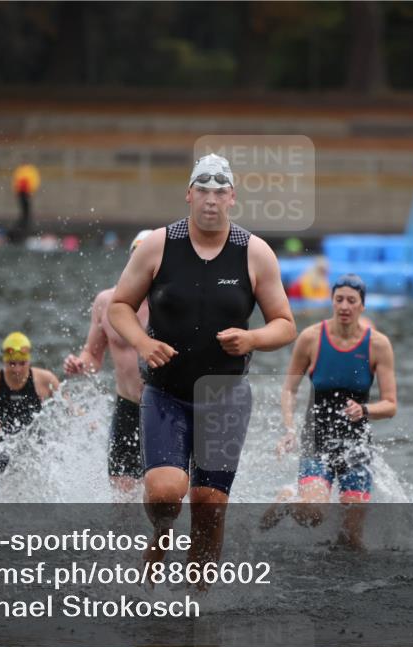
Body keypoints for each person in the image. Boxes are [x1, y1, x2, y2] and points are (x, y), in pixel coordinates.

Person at [108, 153, 296, 576]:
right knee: (164, 493)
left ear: (232, 198)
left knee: (209, 505)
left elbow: (285, 325)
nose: (211, 200)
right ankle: (160, 535)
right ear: (189, 195)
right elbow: (119, 306)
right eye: (203, 191)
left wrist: (251, 338)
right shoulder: (159, 244)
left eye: (220, 192)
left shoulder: (255, 252)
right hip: (166, 393)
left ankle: (199, 604)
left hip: (224, 397)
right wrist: (141, 342)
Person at [260, 274, 397, 549]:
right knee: (312, 515)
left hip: (356, 445)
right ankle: (288, 497)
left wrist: (366, 409)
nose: (345, 306)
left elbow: (391, 404)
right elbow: (289, 389)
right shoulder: (311, 338)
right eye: (339, 299)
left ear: (362, 306)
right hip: (317, 439)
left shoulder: (378, 345)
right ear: (332, 302)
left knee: (351, 540)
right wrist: (289, 429)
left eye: (352, 301)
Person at [64, 230, 153, 500]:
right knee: (121, 495)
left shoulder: (171, 303)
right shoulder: (107, 302)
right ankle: (126, 542)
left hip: (163, 407)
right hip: (127, 405)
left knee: (163, 491)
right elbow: (93, 355)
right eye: (138, 257)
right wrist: (80, 364)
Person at [0, 332, 60, 475]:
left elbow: (72, 411)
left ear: (29, 361)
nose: (17, 369)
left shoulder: (45, 379)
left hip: (35, 447)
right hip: (3, 448)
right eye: (11, 363)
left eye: (22, 363)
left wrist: (91, 422)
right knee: (1, 458)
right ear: (4, 361)